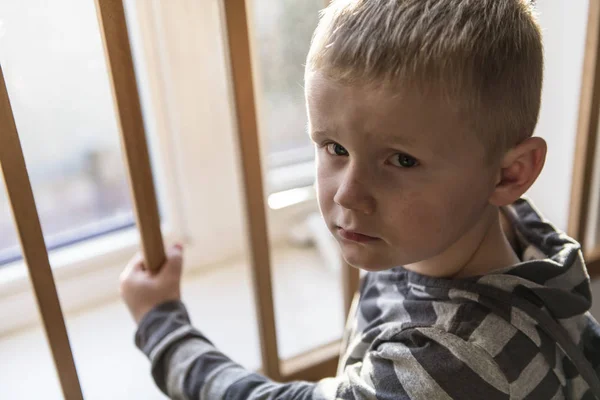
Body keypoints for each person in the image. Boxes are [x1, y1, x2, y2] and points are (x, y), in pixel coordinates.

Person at [119, 0, 600, 398]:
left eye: (402, 161)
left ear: (509, 173)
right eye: (334, 148)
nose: (348, 194)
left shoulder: (454, 365)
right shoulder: (497, 230)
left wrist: (161, 325)